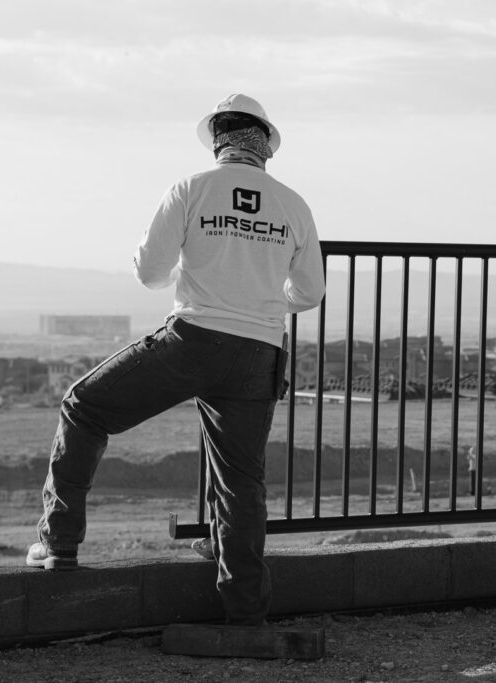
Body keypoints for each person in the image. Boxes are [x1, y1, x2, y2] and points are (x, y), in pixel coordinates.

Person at [27, 93, 326, 626]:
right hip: (260, 351)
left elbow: (150, 272)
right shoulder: (293, 205)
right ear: (265, 145)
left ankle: (58, 546)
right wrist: (260, 298)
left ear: (217, 140)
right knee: (240, 479)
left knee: (84, 408)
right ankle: (246, 613)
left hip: (193, 339)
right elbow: (309, 293)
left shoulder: (191, 189)